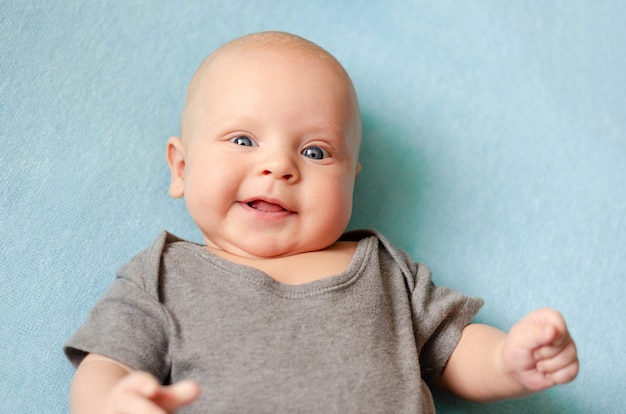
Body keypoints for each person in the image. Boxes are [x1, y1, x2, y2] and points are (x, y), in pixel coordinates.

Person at [64, 32, 579, 414]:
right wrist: (111, 401)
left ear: (352, 181)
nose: (279, 166)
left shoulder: (383, 270)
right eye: (243, 140)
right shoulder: (164, 276)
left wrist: (508, 362)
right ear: (181, 167)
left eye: (315, 151)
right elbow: (106, 363)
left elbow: (456, 349)